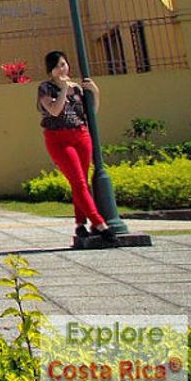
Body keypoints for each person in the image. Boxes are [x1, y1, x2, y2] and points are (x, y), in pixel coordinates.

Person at [37, 51, 115, 245]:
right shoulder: (45, 88)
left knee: (81, 181)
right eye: (57, 66)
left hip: (81, 135)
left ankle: (80, 224)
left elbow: (90, 115)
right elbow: (54, 111)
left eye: (64, 64)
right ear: (50, 70)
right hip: (58, 138)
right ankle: (100, 224)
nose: (62, 69)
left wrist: (95, 92)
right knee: (78, 181)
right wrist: (63, 89)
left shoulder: (77, 89)